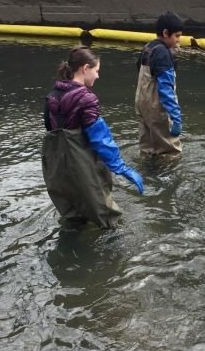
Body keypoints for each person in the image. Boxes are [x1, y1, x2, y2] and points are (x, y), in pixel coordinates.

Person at [42, 46, 143, 229]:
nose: (98, 76)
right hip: (81, 164)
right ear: (85, 68)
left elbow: (50, 129)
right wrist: (122, 168)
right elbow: (100, 139)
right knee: (106, 215)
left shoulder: (52, 96)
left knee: (73, 215)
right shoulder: (87, 99)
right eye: (96, 71)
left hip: (57, 168)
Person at [135, 12, 184, 156]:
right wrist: (176, 117)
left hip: (142, 104)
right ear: (165, 33)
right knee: (170, 151)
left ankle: (147, 173)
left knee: (147, 147)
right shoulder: (163, 53)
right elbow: (166, 89)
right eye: (177, 36)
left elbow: (139, 70)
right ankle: (169, 177)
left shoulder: (148, 47)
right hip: (157, 108)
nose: (178, 41)